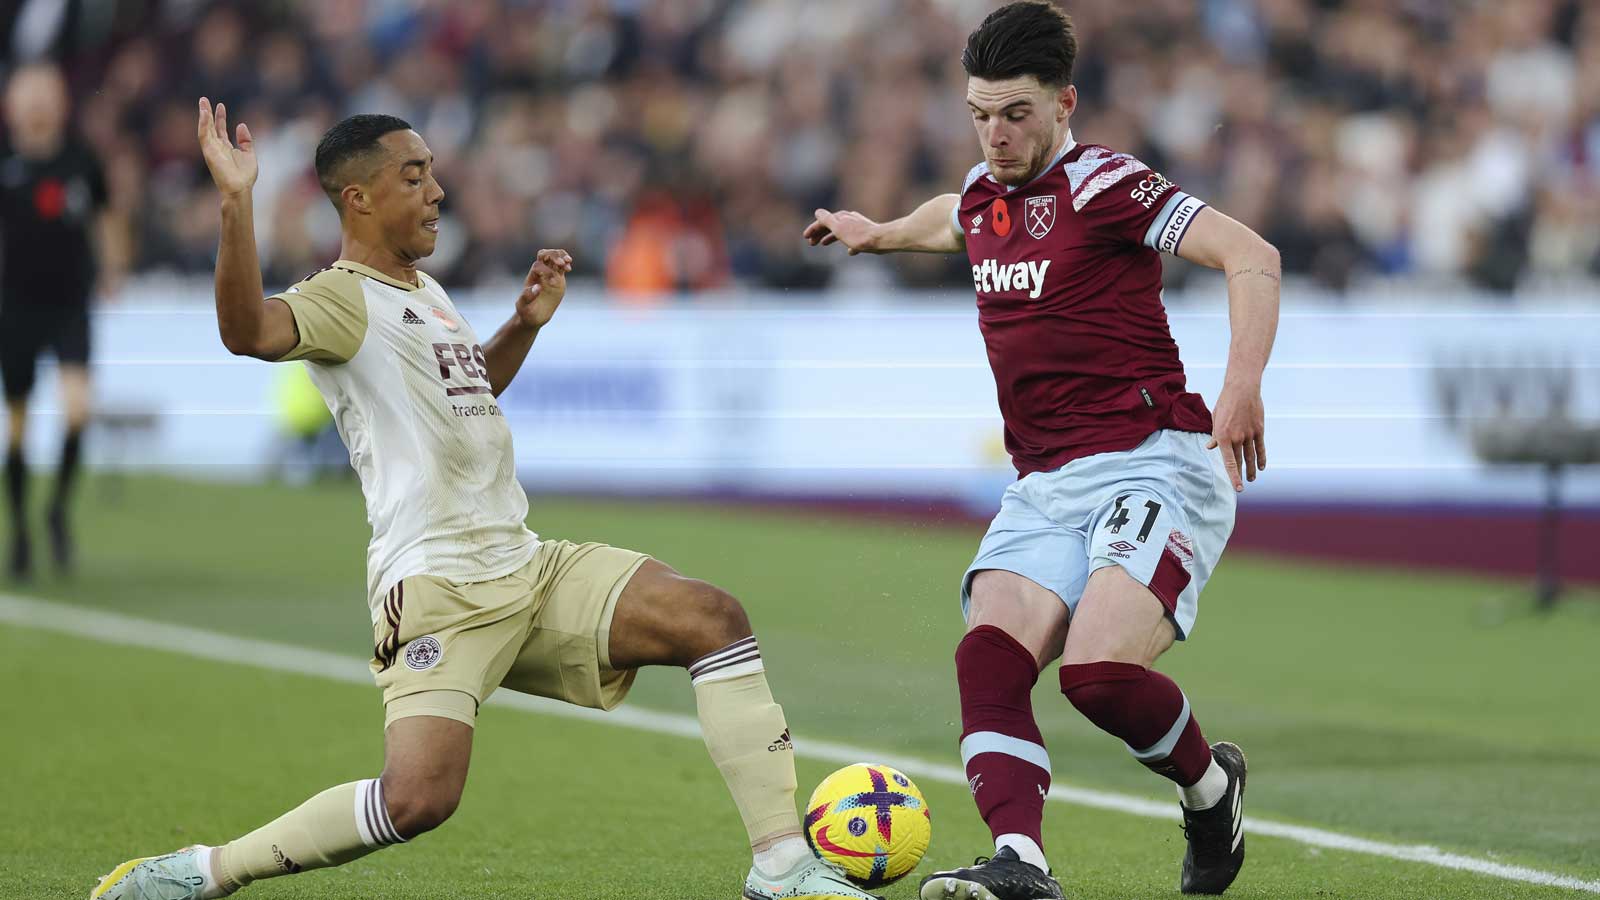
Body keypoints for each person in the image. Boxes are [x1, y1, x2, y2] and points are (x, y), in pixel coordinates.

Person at [89, 103, 879, 900]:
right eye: (413, 175)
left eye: (433, 170)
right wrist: (235, 201)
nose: (437, 190)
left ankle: (781, 867)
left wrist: (521, 327)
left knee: (712, 619)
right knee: (416, 800)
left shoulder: (424, 289)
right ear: (357, 198)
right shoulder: (341, 297)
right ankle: (203, 873)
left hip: (525, 565)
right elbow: (246, 331)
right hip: (440, 590)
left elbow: (469, 391)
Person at [805, 3, 1278, 897]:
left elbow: (1251, 254)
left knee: (1097, 676)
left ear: (1064, 104)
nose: (995, 134)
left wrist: (1242, 385)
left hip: (1155, 459)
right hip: (1046, 483)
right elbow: (952, 218)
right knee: (985, 655)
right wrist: (877, 232)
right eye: (980, 114)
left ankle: (1212, 792)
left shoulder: (1108, 186)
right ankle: (1021, 861)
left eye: (1016, 114)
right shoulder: (986, 199)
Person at [0, 62, 114, 578]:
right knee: (18, 426)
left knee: (76, 411)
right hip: (16, 306)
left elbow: (105, 214)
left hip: (70, 303)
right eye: (30, 96)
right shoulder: (6, 161)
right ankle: (21, 527)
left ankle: (57, 511)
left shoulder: (81, 160)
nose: (39, 105)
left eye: (48, 94)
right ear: (12, 106)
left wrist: (112, 264)